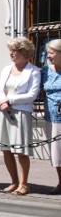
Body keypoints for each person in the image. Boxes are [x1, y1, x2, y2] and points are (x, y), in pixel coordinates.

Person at [0, 37, 41, 196]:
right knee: (6, 149)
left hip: (21, 112)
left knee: (21, 150)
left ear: (24, 53)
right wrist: (0, 101)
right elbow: (0, 89)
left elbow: (32, 95)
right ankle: (13, 181)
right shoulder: (6, 69)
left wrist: (10, 100)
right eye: (10, 50)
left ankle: (23, 184)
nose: (11, 53)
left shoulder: (33, 71)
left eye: (15, 50)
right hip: (4, 111)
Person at [42, 39, 61, 194]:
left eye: (52, 53)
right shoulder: (46, 71)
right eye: (48, 52)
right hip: (51, 116)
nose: (48, 56)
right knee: (56, 152)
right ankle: (60, 182)